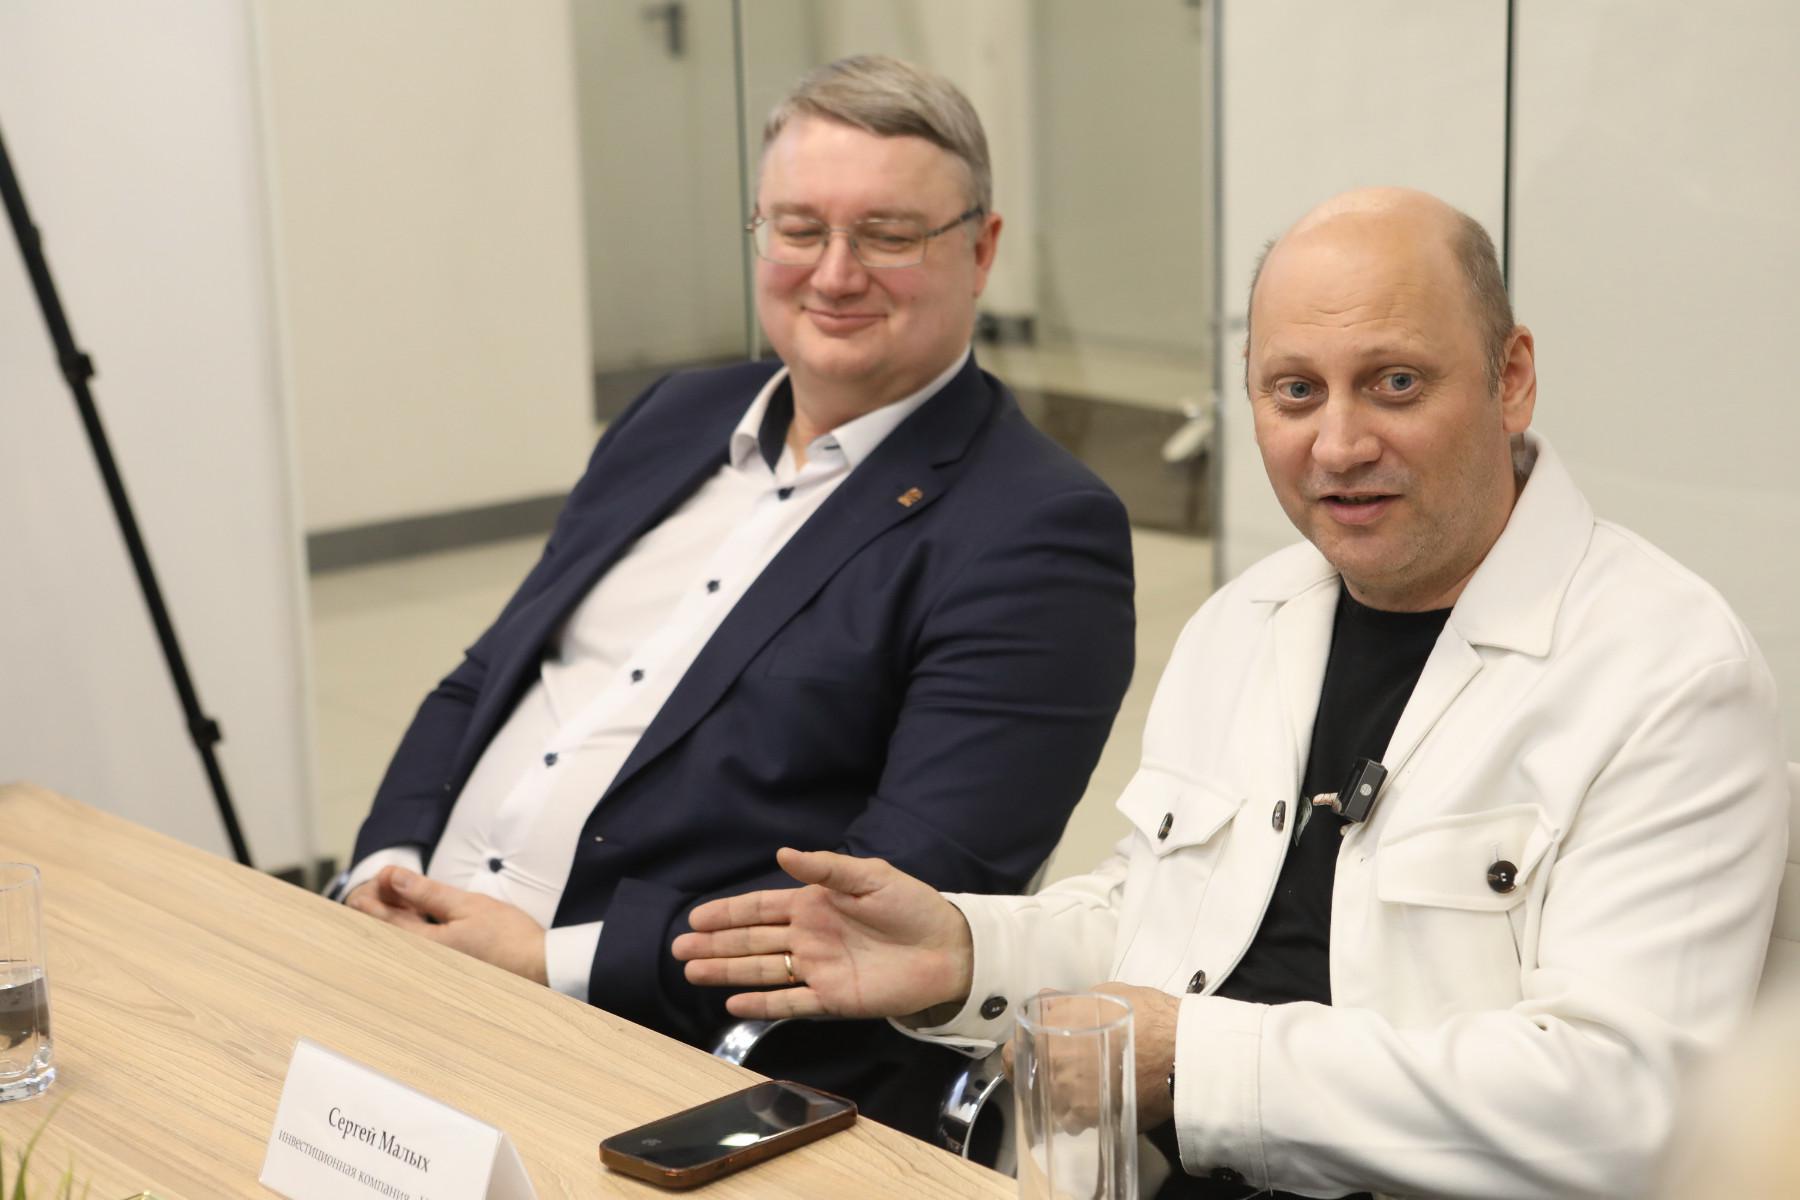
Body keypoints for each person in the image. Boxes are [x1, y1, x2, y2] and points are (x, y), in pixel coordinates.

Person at [674, 187, 1790, 1198]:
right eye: (1295, 391)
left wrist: (1196, 1060)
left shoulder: (1667, 675)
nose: (1339, 445)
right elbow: (1156, 919)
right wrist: (969, 952)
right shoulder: (1249, 618)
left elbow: (1620, 1110)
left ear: (1511, 379)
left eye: (1396, 383)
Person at [340, 54, 1135, 1137]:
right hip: (400, 961)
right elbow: (487, 679)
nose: (835, 274)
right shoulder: (676, 415)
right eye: (799, 229)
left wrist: (544, 959)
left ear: (981, 249)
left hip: (649, 1049)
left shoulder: (1037, 529)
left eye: (888, 236)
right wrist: (381, 872)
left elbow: (891, 906)